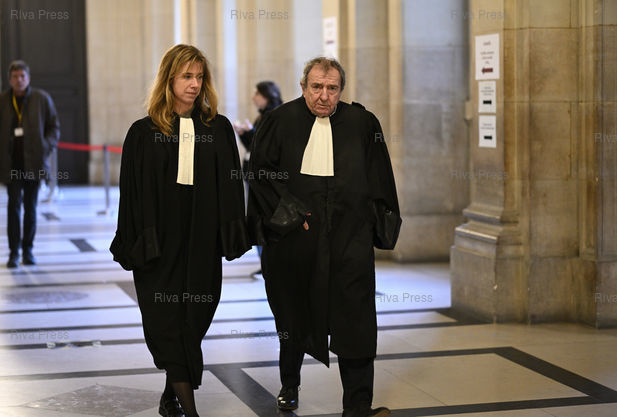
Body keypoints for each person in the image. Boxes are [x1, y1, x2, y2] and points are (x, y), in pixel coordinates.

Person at [247, 57, 401, 417]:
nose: (324, 96)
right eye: (316, 87)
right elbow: (261, 175)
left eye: (332, 88)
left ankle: (358, 406)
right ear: (303, 87)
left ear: (341, 90)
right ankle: (289, 383)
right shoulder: (279, 121)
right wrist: (289, 216)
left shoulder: (362, 123)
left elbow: (380, 178)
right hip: (295, 242)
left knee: (357, 321)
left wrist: (377, 226)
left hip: (349, 242)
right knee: (293, 316)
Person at [110, 44, 250, 417]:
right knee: (167, 326)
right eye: (187, 76)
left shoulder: (217, 128)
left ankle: (169, 396)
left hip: (202, 243)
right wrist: (137, 242)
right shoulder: (143, 133)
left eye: (200, 77)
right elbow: (131, 195)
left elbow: (231, 186)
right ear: (169, 79)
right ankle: (190, 411)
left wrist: (231, 234)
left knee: (192, 323)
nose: (194, 84)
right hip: (159, 247)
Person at [0, 60, 60, 268]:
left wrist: (45, 146)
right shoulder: (3, 100)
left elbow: (54, 127)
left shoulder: (41, 99)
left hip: (34, 162)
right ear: (10, 79)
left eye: (22, 76)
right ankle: (13, 253)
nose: (19, 80)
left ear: (28, 78)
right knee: (13, 207)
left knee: (31, 208)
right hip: (11, 164)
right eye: (15, 76)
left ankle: (28, 251)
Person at [233, 81, 283, 275]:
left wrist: (251, 133)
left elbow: (268, 148)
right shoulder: (261, 116)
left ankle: (270, 262)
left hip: (267, 179)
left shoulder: (276, 116)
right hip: (253, 176)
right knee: (257, 220)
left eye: (257, 94)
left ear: (267, 95)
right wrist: (244, 134)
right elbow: (253, 147)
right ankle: (264, 263)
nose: (253, 98)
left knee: (267, 220)